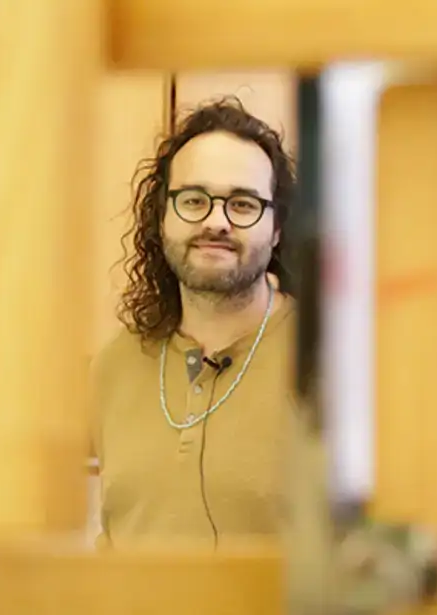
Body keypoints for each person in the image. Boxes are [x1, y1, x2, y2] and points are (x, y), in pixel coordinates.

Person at [91, 98, 298, 549]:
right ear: (162, 216)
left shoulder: (328, 366)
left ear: (278, 228)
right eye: (194, 200)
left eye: (243, 204)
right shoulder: (115, 365)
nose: (216, 221)